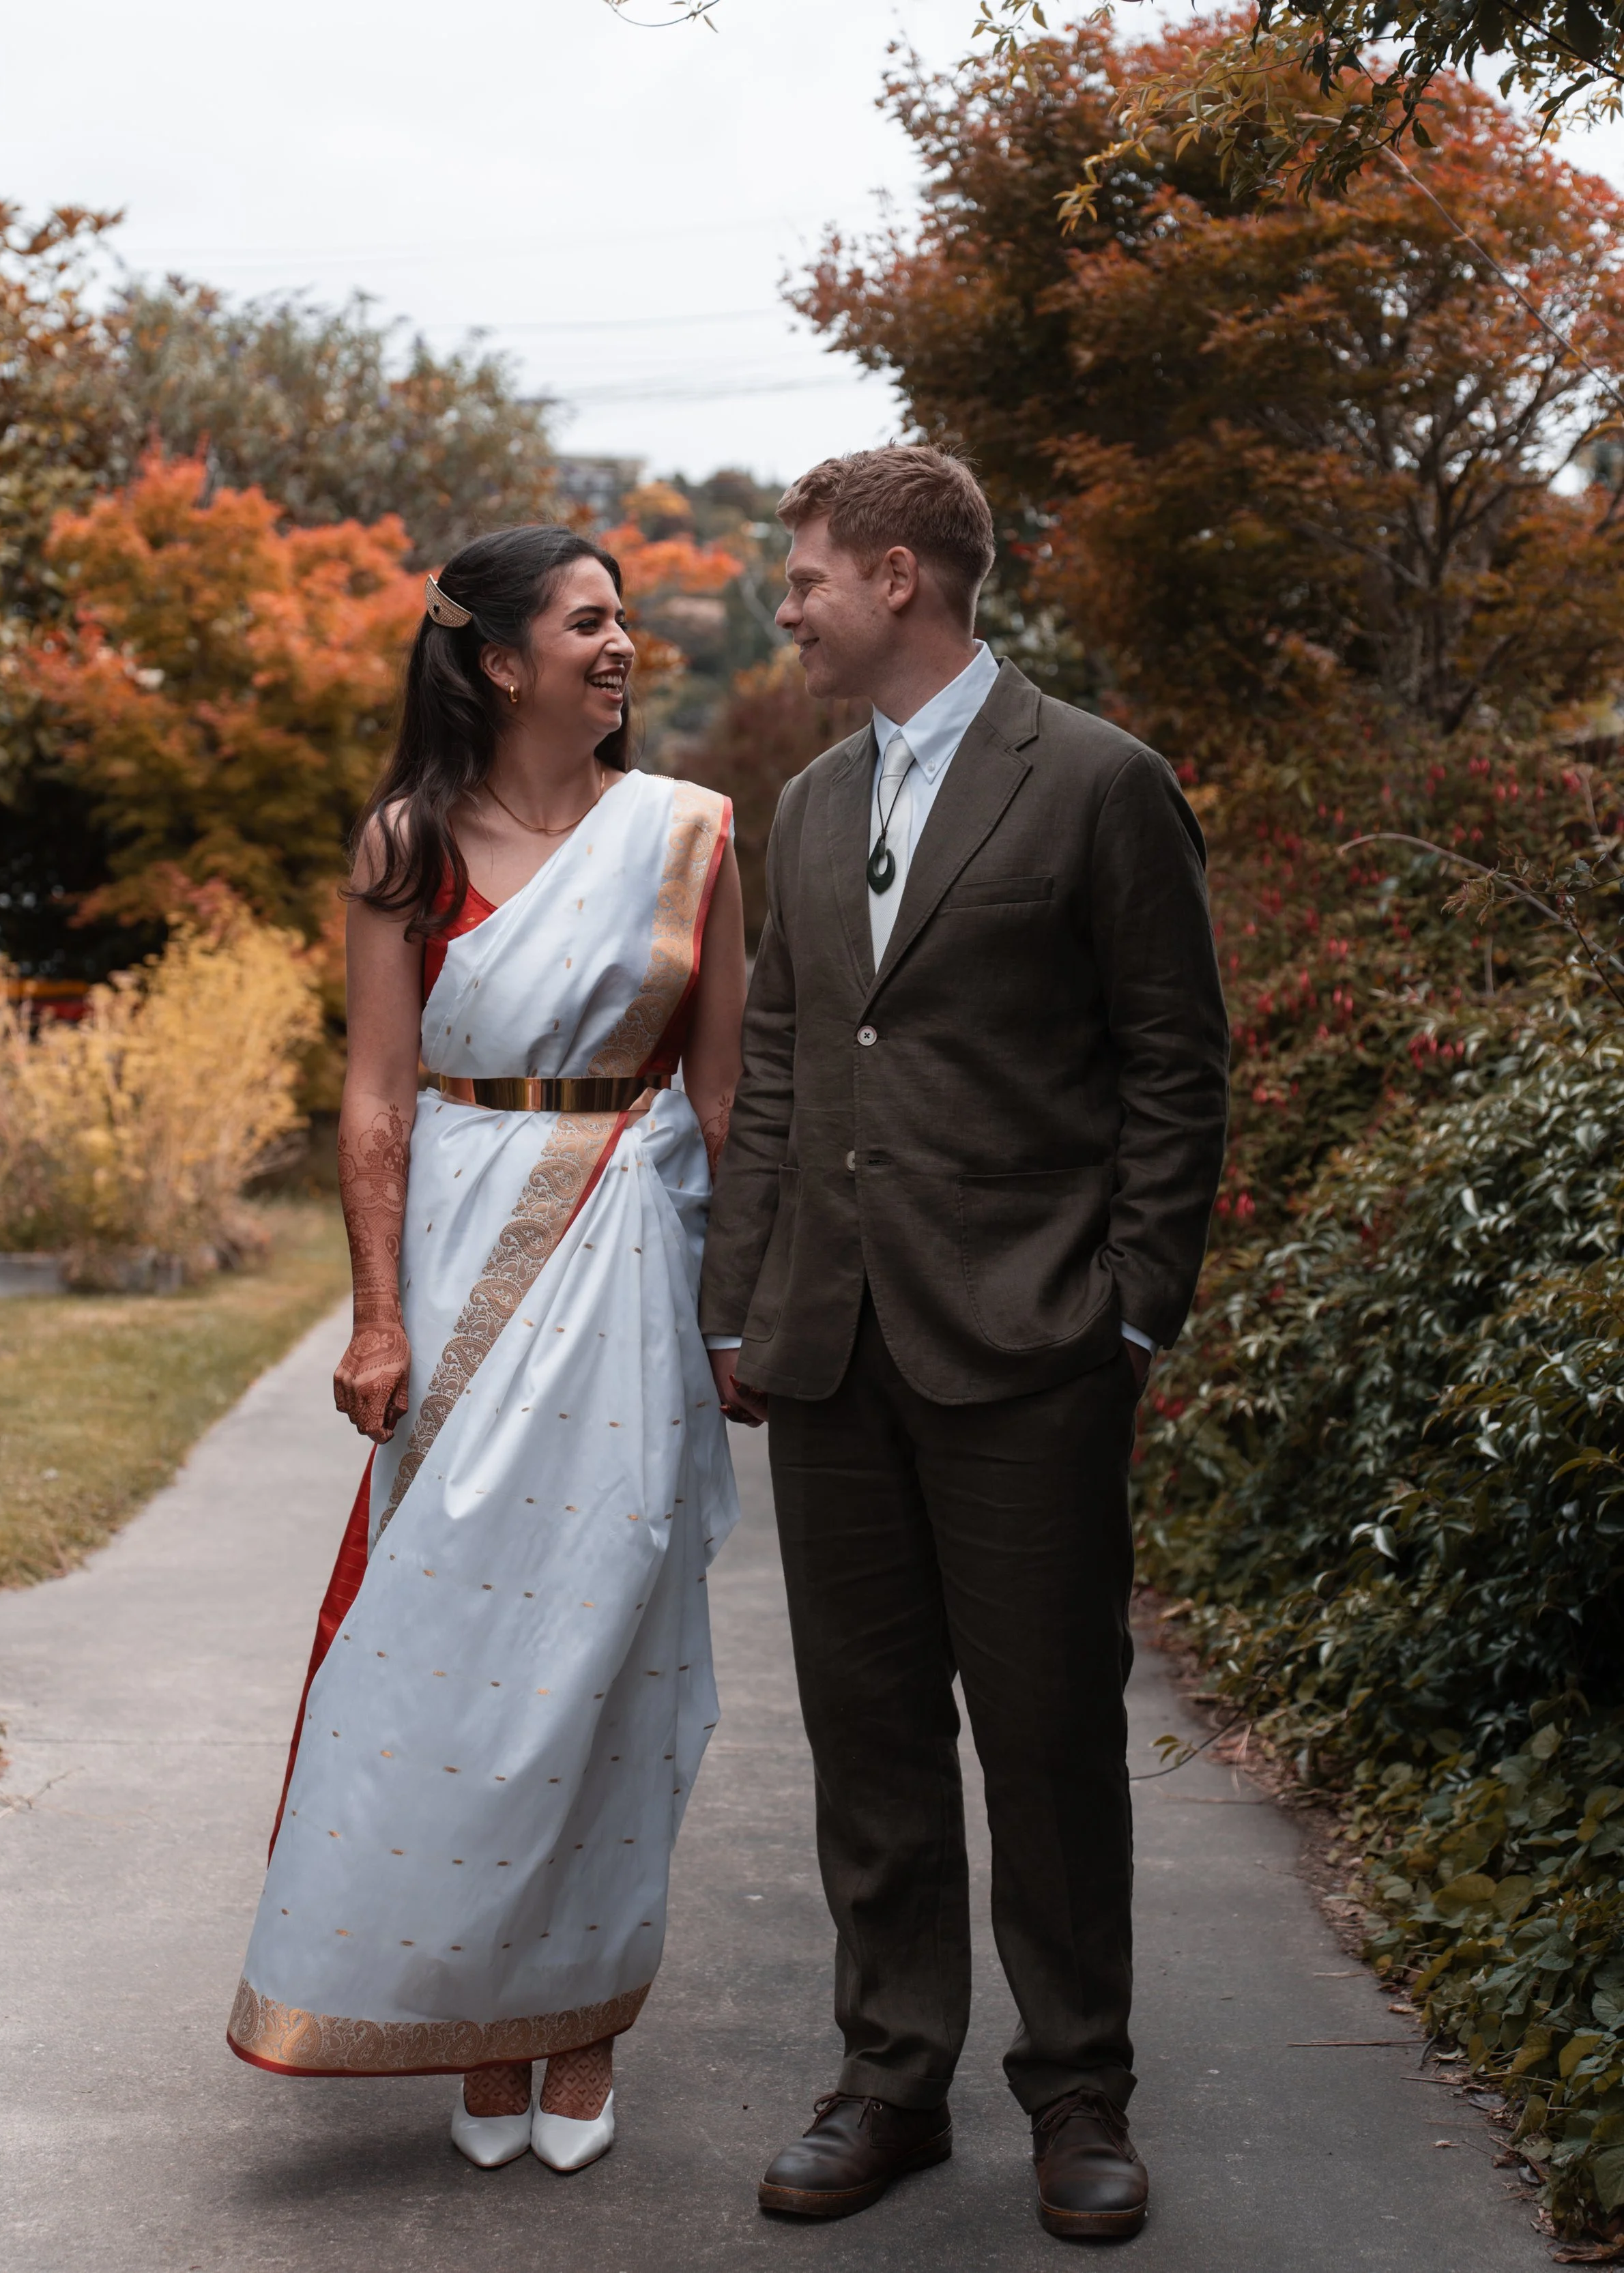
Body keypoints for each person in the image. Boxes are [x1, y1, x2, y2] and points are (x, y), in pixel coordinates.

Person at [700, 446, 1229, 2240]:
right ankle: (888, 2081)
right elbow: (776, 1060)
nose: (787, 605)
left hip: (1032, 1351)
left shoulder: (1098, 783)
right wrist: (741, 1294)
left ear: (904, 575)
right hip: (831, 1351)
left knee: (1050, 1738)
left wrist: (1130, 1309)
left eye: (806, 577)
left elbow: (1173, 1066)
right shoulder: (800, 805)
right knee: (867, 1739)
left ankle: (1079, 2095)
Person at [227, 525, 745, 2177]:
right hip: (462, 1256)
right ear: (498, 661)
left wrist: (741, 1310)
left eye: (625, 622)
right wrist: (376, 1314)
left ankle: (576, 2024)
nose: (621, 645)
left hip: (634, 1252)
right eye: (588, 622)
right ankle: (463, 2002)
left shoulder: (690, 839)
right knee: (447, 1649)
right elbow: (377, 1094)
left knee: (608, 1644)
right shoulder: (405, 841)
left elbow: (727, 1099)